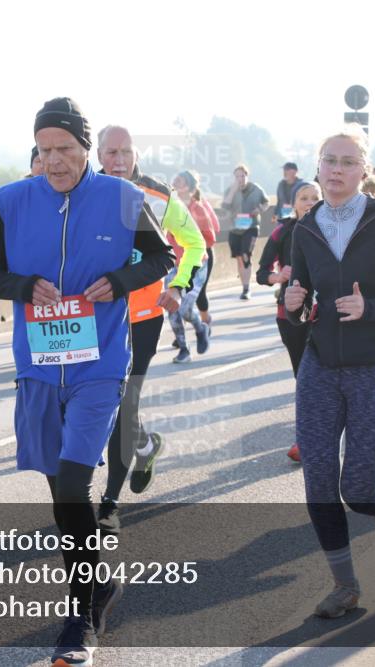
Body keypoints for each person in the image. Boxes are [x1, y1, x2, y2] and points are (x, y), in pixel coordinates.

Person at [0, 97, 175, 666]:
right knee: (61, 496)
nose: (55, 161)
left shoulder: (122, 197)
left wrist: (121, 280)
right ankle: (100, 585)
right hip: (38, 367)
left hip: (99, 365)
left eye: (65, 148)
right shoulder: (11, 201)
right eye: (45, 150)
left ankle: (80, 618)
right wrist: (22, 287)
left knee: (72, 485)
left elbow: (161, 257)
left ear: (86, 149)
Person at [284, 126, 375, 619]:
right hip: (321, 366)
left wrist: (371, 309)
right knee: (319, 483)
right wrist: (293, 303)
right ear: (318, 166)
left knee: (359, 491)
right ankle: (345, 587)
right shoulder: (305, 228)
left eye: (348, 162)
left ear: (363, 170)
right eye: (330, 160)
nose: (337, 169)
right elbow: (303, 302)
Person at [93, 125, 207, 540]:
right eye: (111, 152)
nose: (118, 160)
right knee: (100, 401)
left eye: (125, 151)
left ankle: (109, 503)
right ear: (98, 155)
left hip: (142, 317)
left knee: (125, 404)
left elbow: (195, 245)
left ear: (136, 154)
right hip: (94, 316)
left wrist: (178, 286)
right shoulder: (83, 190)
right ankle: (145, 445)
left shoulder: (158, 195)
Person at [256, 179, 321, 462]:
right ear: (293, 203)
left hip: (327, 312)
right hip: (291, 315)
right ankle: (305, 439)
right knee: (304, 377)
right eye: (304, 198)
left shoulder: (333, 228)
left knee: (327, 376)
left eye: (315, 197)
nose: (309, 202)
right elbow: (261, 272)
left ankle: (323, 432)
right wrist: (278, 276)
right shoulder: (283, 231)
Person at [174, 170, 221, 328]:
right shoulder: (171, 205)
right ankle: (181, 332)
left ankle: (205, 323)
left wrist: (194, 246)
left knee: (198, 294)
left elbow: (213, 231)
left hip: (202, 256)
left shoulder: (199, 207)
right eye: (174, 180)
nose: (174, 183)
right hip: (181, 257)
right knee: (179, 294)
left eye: (179, 181)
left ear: (188, 186)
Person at [222, 164, 269, 299]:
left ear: (247, 176)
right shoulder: (230, 190)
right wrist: (233, 192)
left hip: (251, 227)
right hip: (235, 228)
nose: (240, 179)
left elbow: (266, 203)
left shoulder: (256, 189)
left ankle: (246, 289)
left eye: (242, 176)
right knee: (239, 258)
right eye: (237, 176)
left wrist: (259, 209)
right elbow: (225, 206)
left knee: (245, 255)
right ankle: (244, 286)